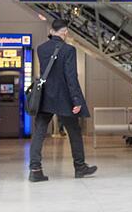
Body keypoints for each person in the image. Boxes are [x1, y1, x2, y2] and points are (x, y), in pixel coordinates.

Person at [29, 19, 97, 182]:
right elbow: (70, 77)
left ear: (52, 31)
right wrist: (76, 100)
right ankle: (80, 167)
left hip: (45, 96)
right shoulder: (69, 50)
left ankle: (35, 169)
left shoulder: (41, 49)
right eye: (66, 31)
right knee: (73, 131)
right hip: (64, 96)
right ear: (64, 32)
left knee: (39, 131)